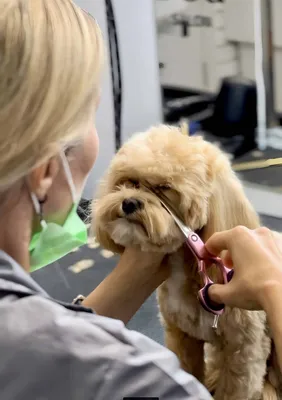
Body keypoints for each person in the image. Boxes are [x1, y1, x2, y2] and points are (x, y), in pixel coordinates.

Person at [0, 1, 281, 400]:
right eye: (91, 116)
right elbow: (60, 349)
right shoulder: (140, 380)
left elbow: (50, 339)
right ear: (46, 169)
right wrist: (275, 290)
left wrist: (136, 273)